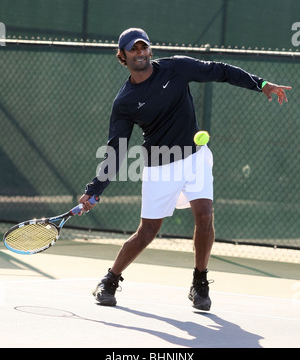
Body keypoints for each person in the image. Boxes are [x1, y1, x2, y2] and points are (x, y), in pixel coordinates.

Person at [79, 28, 291, 311]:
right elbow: (116, 149)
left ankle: (199, 283)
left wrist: (260, 83)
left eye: (144, 47)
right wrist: (94, 190)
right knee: (148, 231)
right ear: (122, 55)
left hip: (195, 157)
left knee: (204, 215)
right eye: (133, 49)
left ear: (150, 51)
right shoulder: (125, 101)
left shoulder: (176, 68)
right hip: (159, 165)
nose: (140, 53)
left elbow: (220, 70)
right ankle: (110, 280)